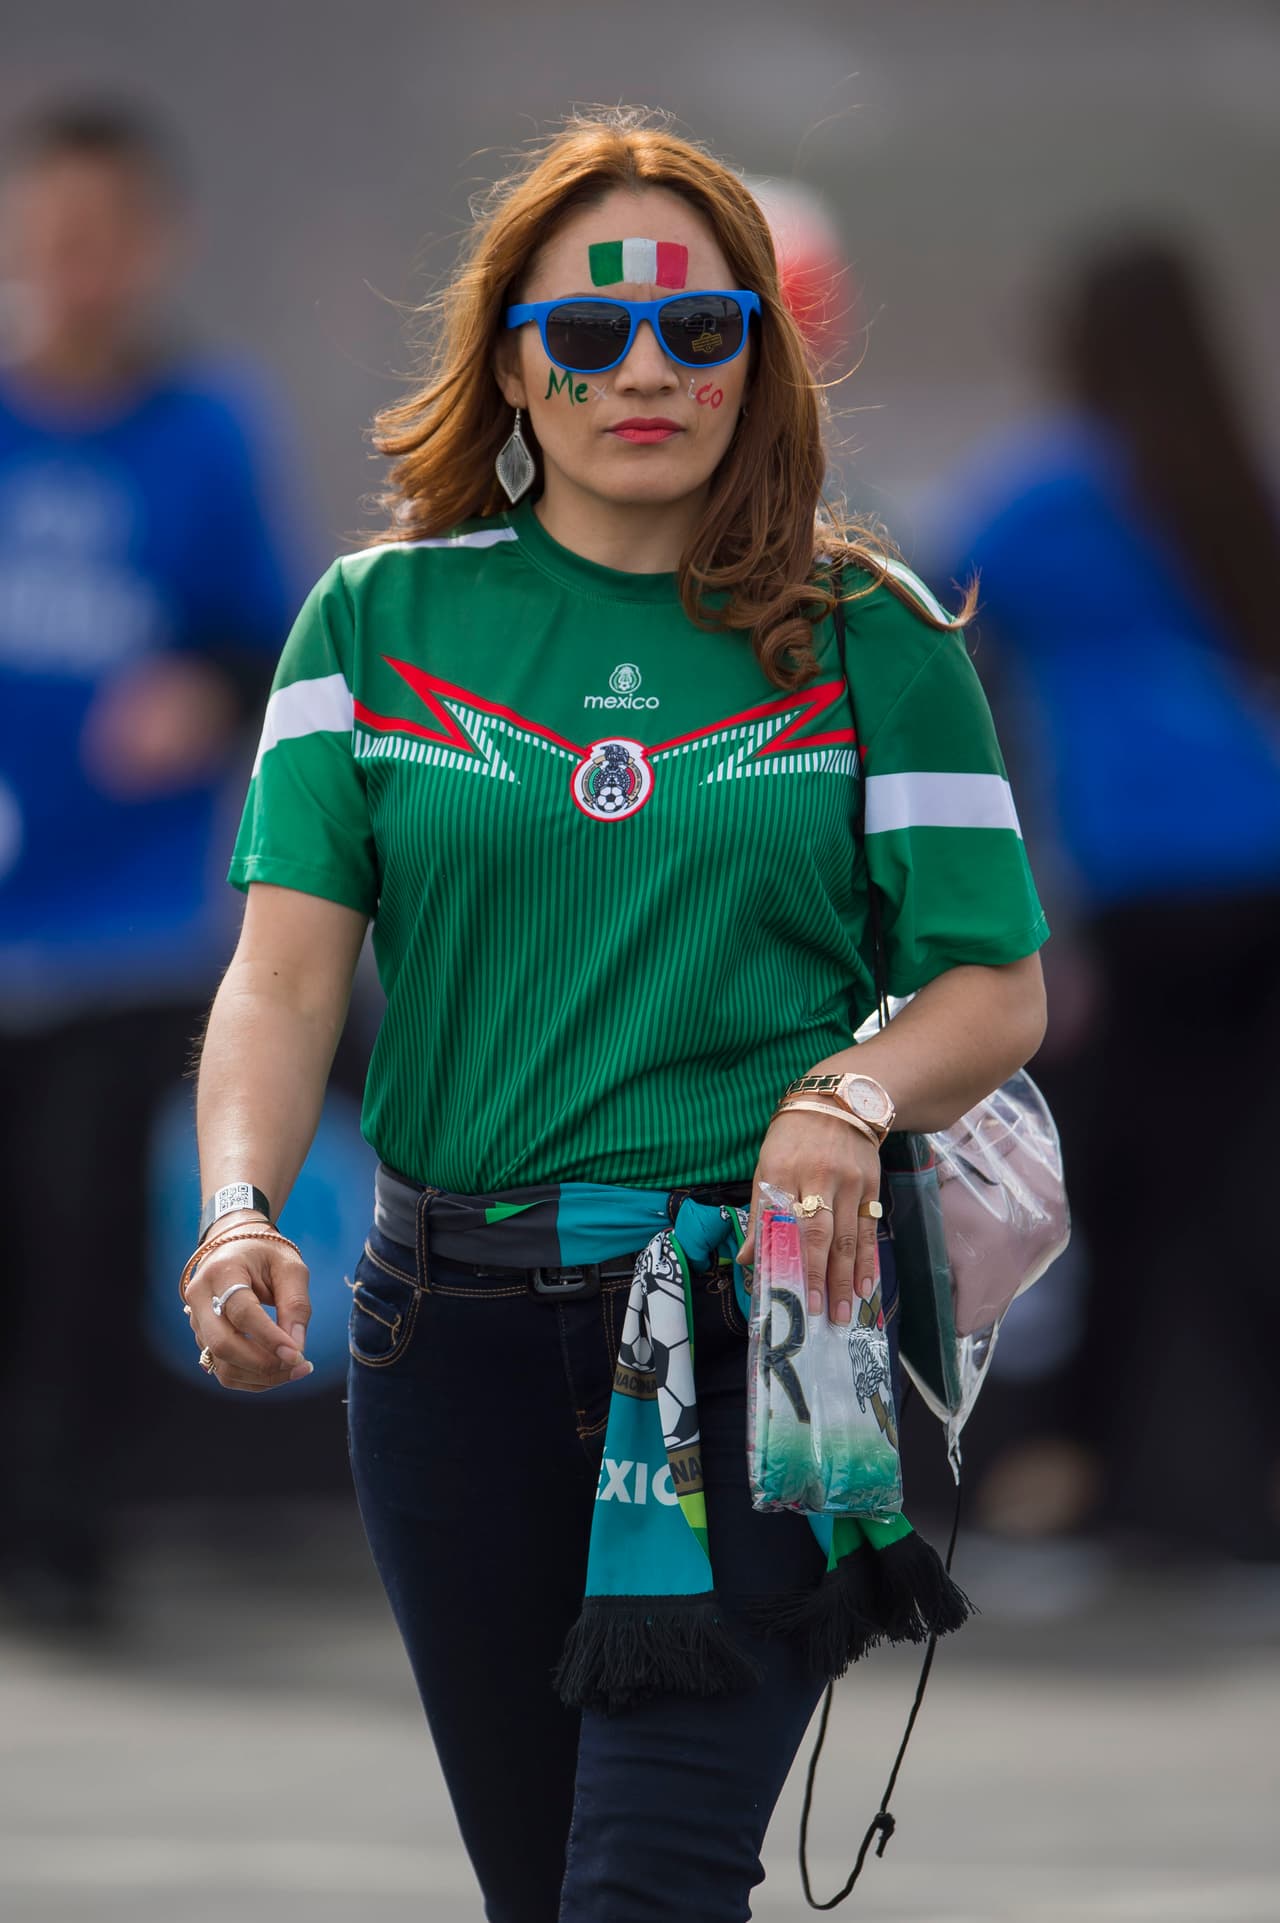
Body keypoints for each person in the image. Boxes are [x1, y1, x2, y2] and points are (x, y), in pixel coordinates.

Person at [185, 110, 1049, 1923]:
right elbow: (282, 974)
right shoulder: (371, 624)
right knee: (550, 1896)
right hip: (447, 1345)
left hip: (777, 1325)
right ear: (511, 362)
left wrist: (846, 1095)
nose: (644, 368)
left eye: (697, 327)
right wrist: (240, 1211)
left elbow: (994, 984)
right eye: (587, 329)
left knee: (644, 1891)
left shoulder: (877, 635)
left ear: (759, 355)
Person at [928, 235, 1280, 1557]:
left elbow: (917, 622)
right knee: (1239, 1184)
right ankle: (1226, 1476)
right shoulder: (1240, 483)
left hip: (1134, 887)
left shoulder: (1046, 501)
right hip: (1261, 871)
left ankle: (1081, 1468)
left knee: (1120, 1185)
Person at [0, 103, 304, 1626]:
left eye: (107, 236)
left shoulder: (204, 430)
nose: (80, 265)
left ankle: (64, 1535)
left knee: (79, 1230)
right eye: (57, 233)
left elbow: (266, 640)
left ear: (155, 246)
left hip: (124, 923)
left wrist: (200, 690)